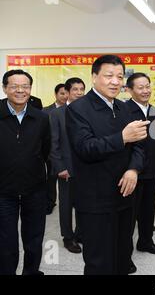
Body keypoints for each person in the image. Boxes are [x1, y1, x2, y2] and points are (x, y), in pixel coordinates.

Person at [65, 55, 149, 275]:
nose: (115, 81)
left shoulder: (125, 109)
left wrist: (133, 169)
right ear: (94, 77)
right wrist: (121, 137)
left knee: (122, 256)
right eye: (109, 76)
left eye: (120, 76)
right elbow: (85, 148)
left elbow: (140, 145)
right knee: (99, 261)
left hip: (124, 195)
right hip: (95, 199)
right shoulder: (78, 109)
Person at [0, 69, 51, 275]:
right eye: (14, 86)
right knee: (5, 240)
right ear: (5, 88)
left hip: (35, 189)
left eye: (25, 86)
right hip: (3, 191)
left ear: (30, 88)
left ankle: (31, 271)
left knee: (34, 237)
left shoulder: (40, 117)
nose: (20, 90)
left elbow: (45, 150)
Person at [126, 73, 155, 273]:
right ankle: (125, 256)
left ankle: (145, 242)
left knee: (148, 210)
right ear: (130, 90)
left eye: (147, 86)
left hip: (153, 170)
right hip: (132, 173)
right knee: (129, 215)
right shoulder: (124, 110)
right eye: (140, 87)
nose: (145, 91)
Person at [49, 78, 85, 254]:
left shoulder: (88, 111)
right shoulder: (57, 114)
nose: (79, 92)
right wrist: (59, 167)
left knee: (84, 202)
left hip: (87, 167)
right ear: (68, 92)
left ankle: (80, 233)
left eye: (82, 89)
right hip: (67, 168)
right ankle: (68, 237)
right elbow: (53, 144)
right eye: (75, 89)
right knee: (66, 204)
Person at [43, 83, 68, 215]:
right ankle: (50, 202)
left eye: (66, 93)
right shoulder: (45, 111)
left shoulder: (74, 111)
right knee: (50, 180)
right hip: (51, 152)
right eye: (61, 93)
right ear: (56, 94)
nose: (64, 96)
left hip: (68, 154)